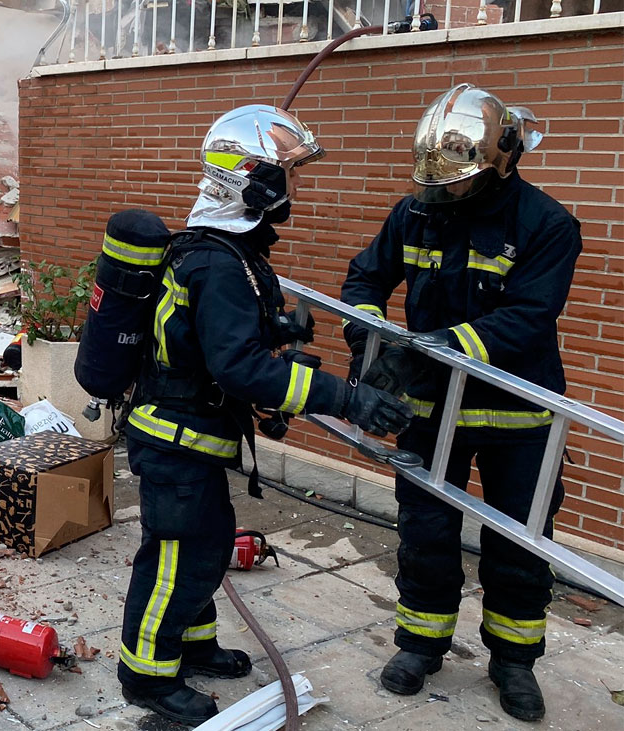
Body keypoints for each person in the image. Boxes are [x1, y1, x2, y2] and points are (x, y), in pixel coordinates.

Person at [118, 104, 414, 726]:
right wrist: (345, 397)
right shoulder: (219, 262)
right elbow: (240, 369)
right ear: (251, 179)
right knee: (177, 555)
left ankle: (192, 647)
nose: (295, 187)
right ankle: (145, 673)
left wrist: (276, 325)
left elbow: (214, 343)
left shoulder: (226, 251)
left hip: (194, 429)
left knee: (207, 542)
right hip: (176, 438)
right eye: (289, 174)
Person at [340, 83, 581, 723]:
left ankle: (513, 662)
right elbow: (365, 278)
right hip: (431, 412)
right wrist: (371, 340)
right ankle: (420, 645)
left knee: (519, 545)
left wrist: (427, 349)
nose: (443, 192)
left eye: (456, 181)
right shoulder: (416, 213)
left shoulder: (547, 225)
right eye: (436, 181)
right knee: (426, 533)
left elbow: (527, 317)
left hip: (516, 420)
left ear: (503, 158)